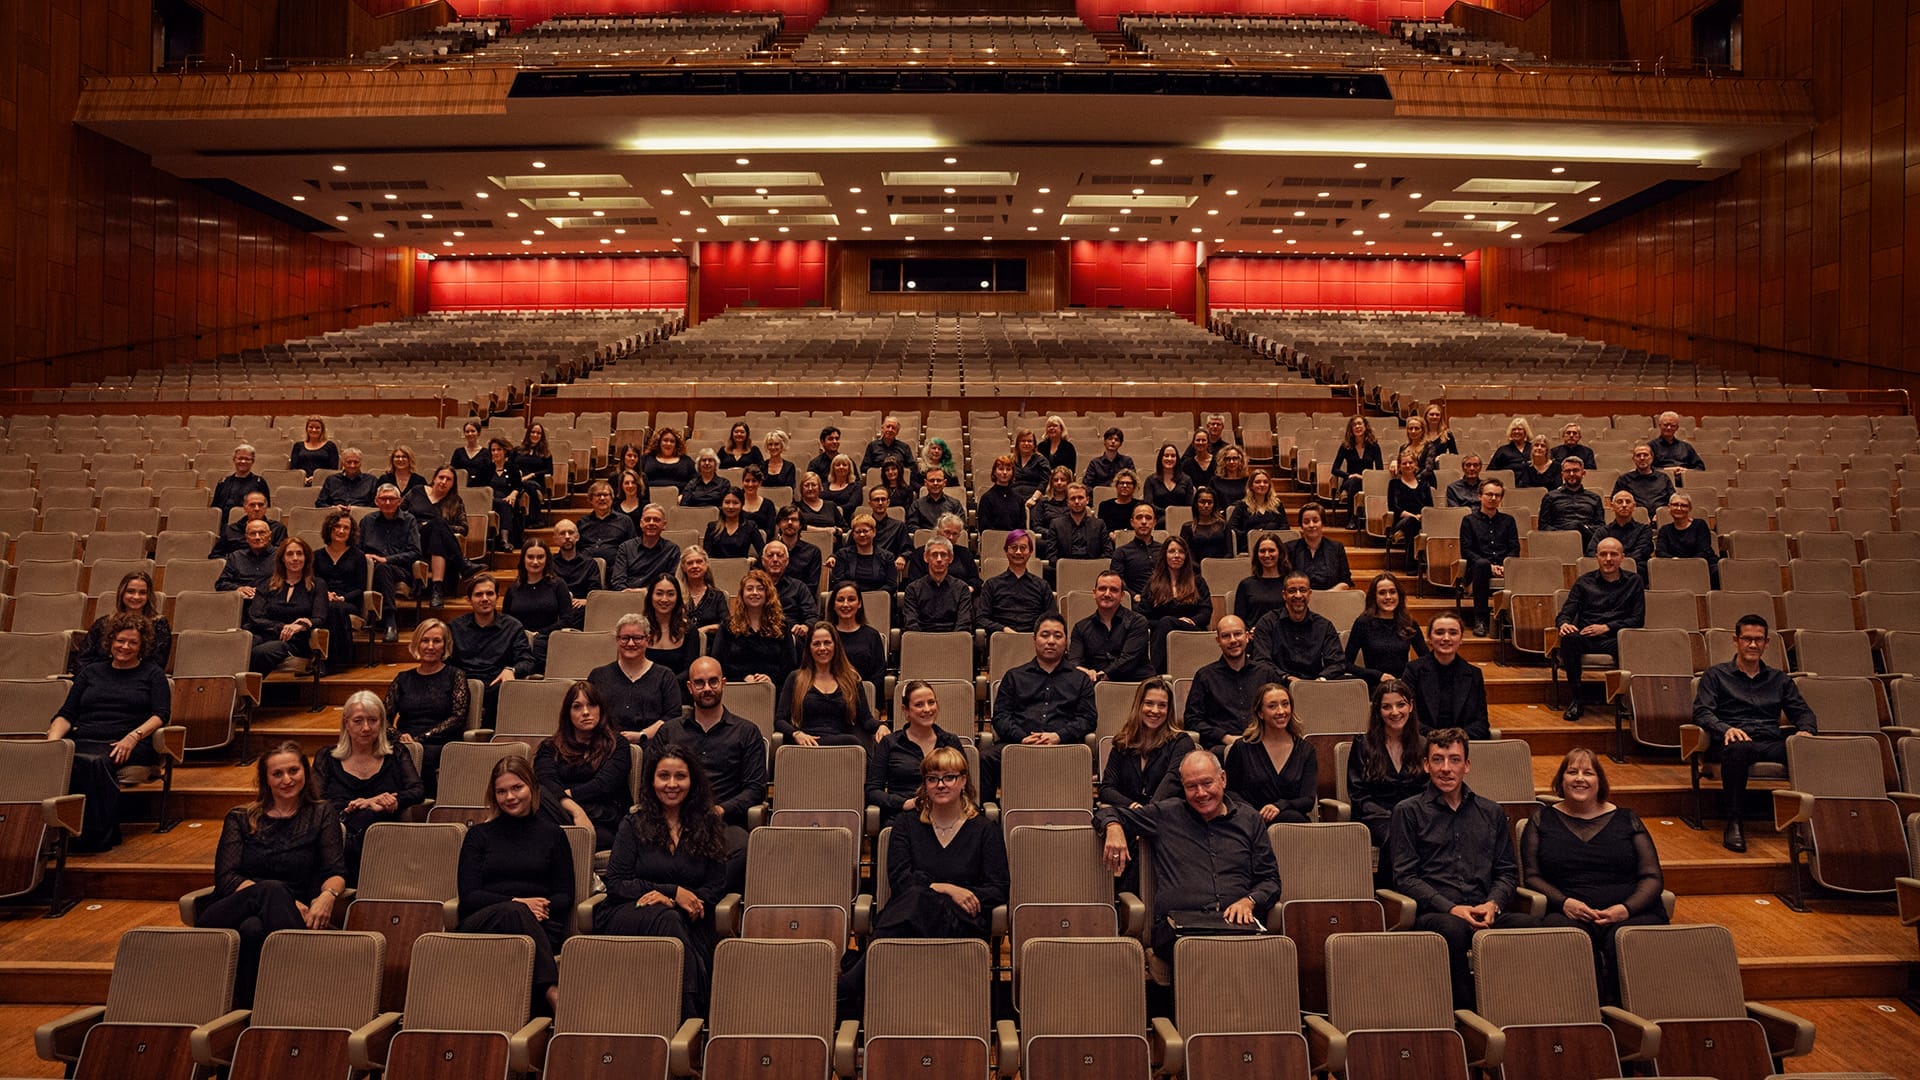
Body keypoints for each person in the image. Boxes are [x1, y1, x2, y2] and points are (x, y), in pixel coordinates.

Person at [841, 746, 1008, 1016]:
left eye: (949, 777)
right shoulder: (906, 824)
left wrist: (939, 891)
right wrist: (946, 888)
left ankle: (851, 985)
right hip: (911, 915)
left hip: (961, 921)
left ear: (964, 780)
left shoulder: (984, 830)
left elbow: (998, 888)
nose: (940, 785)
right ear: (925, 784)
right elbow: (900, 880)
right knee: (916, 900)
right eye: (933, 779)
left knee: (915, 900)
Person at [1389, 728, 1538, 1008]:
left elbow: (1506, 872)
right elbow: (1405, 877)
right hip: (1437, 913)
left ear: (1467, 766)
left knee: (1530, 926)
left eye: (1454, 760)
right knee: (1453, 930)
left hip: (1484, 910)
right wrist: (1451, 908)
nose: (1446, 769)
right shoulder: (1408, 812)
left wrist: (1493, 903)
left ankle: (1516, 1010)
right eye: (1438, 760)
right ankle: (1466, 1016)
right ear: (1425, 765)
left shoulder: (1491, 812)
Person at [1097, 750, 1281, 973]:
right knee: (1203, 954)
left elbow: (1270, 880)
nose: (1201, 793)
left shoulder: (1249, 819)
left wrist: (1249, 901)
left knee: (1269, 953)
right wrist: (1113, 827)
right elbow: (1106, 813)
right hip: (1178, 928)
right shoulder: (1167, 814)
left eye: (1207, 783)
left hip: (1234, 923)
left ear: (1223, 779)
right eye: (1191, 786)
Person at [200, 742, 346, 1005]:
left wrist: (328, 895)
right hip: (231, 908)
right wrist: (283, 902)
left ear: (305, 772)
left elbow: (335, 870)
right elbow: (227, 878)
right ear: (266, 780)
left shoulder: (322, 813)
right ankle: (307, 982)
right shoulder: (240, 817)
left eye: (293, 770)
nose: (287, 779)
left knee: (254, 930)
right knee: (271, 889)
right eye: (277, 774)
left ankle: (249, 1011)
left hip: (285, 916)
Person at [597, 742, 732, 1020]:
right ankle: (690, 1018)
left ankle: (678, 1021)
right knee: (666, 919)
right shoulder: (634, 823)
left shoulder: (708, 823)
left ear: (692, 781)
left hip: (689, 917)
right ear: (651, 780)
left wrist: (677, 902)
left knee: (673, 921)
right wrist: (670, 893)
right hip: (629, 913)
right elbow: (618, 883)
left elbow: (715, 886)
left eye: (680, 776)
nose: (672, 784)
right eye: (663, 776)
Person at [1524, 748, 1668, 989]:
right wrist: (1564, 902)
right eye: (1572, 772)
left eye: (1588, 773)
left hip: (1629, 912)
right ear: (1561, 780)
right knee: (1566, 935)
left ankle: (1630, 1014)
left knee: (1625, 939)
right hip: (1569, 912)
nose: (1580, 778)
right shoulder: (1540, 820)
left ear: (1599, 781)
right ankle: (1590, 1011)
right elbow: (1531, 876)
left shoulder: (1627, 818)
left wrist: (1625, 909)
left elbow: (1652, 877)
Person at [456, 756, 572, 1013]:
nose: (510, 797)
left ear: (531, 787)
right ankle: (553, 993)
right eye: (501, 791)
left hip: (540, 922)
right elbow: (469, 896)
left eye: (516, 787)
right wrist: (518, 903)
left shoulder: (553, 834)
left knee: (519, 915)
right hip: (484, 923)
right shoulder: (478, 836)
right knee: (515, 912)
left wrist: (539, 907)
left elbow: (565, 895)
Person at [1693, 614, 1818, 851]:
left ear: (1766, 643)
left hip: (1769, 739)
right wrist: (1726, 728)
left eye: (1758, 640)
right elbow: (1702, 713)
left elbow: (1803, 712)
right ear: (1736, 641)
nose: (1753, 645)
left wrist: (1806, 731)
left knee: (1807, 750)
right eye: (1747, 639)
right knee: (1737, 749)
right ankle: (1734, 822)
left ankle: (1811, 824)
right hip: (1732, 741)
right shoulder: (1716, 675)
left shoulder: (1779, 679)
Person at [47, 612, 170, 851]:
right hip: (86, 736)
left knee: (95, 762)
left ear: (142, 645)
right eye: (120, 640)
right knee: (63, 758)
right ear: (110, 641)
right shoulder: (91, 672)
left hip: (130, 740)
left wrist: (132, 738)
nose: (125, 647)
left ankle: (94, 837)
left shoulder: (153, 674)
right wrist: (53, 743)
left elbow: (160, 715)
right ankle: (52, 835)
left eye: (133, 642)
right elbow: (66, 713)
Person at [982, 615, 1096, 800]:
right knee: (985, 758)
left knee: (1080, 754)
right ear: (1034, 640)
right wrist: (1023, 738)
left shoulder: (1080, 679)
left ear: (1066, 641)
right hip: (1018, 744)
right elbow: (1000, 717)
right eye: (1045, 635)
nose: (1051, 641)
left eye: (1058, 636)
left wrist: (1058, 736)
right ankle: (986, 817)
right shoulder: (1014, 676)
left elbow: (1088, 719)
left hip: (1063, 746)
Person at [312, 691, 423, 881]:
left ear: (381, 723)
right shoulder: (327, 757)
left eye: (373, 720)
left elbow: (417, 791)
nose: (366, 728)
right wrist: (350, 808)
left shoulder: (396, 753)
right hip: (338, 828)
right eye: (358, 721)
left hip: (382, 834)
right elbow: (315, 800)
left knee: (369, 816)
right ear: (346, 723)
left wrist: (391, 801)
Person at [653, 658, 768, 828]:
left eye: (713, 682)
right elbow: (650, 781)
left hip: (725, 823)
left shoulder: (747, 732)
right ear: (690, 688)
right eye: (699, 683)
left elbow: (755, 789)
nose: (707, 688)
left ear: (723, 684)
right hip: (675, 822)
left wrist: (720, 810)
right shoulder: (669, 731)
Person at [535, 681, 631, 851]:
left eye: (591, 705)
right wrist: (576, 812)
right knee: (536, 793)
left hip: (603, 820)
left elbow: (604, 785)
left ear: (600, 709)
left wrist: (565, 794)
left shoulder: (618, 744)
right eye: (577, 707)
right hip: (562, 815)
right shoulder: (550, 747)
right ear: (568, 714)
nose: (586, 712)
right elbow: (546, 783)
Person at [1555, 538, 1644, 721]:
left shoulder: (1634, 581)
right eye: (1603, 554)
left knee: (1633, 645)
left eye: (1614, 554)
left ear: (1622, 557)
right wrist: (1564, 623)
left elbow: (1637, 620)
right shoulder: (1584, 582)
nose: (1608, 559)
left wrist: (1606, 627)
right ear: (1597, 557)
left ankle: (1629, 701)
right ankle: (1577, 700)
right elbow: (1566, 611)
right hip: (1587, 637)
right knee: (1570, 639)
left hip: (1615, 637)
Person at [868, 679, 969, 829]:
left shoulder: (950, 741)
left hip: (946, 813)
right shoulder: (889, 743)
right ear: (906, 710)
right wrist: (903, 803)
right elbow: (872, 791)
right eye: (919, 705)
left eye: (931, 702)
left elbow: (965, 784)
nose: (927, 709)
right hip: (904, 815)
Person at [385, 618, 468, 795]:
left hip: (440, 741)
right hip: (405, 740)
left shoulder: (455, 676)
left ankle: (425, 805)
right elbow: (384, 718)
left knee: (423, 755)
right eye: (425, 640)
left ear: (445, 645)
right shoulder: (402, 679)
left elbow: (458, 717)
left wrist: (421, 738)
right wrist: (399, 736)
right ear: (417, 644)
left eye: (436, 641)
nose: (430, 646)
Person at [1183, 616, 1284, 752]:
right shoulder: (1205, 676)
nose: (1233, 640)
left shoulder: (1266, 674)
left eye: (1237, 634)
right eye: (1226, 636)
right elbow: (1192, 719)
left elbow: (1281, 711)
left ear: (1247, 636)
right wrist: (1224, 737)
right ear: (1218, 641)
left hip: (1263, 743)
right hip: (1222, 746)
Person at [1348, 677, 1427, 849]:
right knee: (1397, 835)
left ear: (1411, 706)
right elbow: (1358, 795)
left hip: (1414, 817)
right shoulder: (1363, 744)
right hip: (1376, 818)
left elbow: (1427, 791)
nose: (1395, 712)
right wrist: (1390, 816)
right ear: (1378, 710)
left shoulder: (1424, 745)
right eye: (1386, 707)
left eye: (1401, 705)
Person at [1223, 682, 1317, 824]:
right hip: (1250, 821)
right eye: (1272, 706)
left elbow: (1308, 800)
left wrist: (1280, 806)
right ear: (1260, 713)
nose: (1281, 711)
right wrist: (1253, 813)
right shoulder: (1242, 748)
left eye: (1285, 704)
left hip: (1291, 825)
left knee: (1292, 818)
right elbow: (1229, 792)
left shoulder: (1306, 750)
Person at [777, 622, 880, 748]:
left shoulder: (851, 679)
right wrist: (796, 734)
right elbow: (780, 720)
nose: (822, 648)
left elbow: (866, 720)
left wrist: (881, 726)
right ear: (809, 648)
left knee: (854, 743)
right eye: (816, 644)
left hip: (842, 744)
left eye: (827, 643)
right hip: (805, 745)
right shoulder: (795, 678)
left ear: (836, 646)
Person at [450, 574, 536, 724]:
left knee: (502, 691)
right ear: (469, 600)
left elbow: (527, 661)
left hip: (496, 686)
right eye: (478, 594)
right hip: (463, 686)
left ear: (497, 596)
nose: (485, 598)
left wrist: (511, 670)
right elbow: (447, 663)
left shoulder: (513, 627)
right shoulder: (454, 628)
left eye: (490, 593)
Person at [1100, 677, 1193, 810]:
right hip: (1131, 813)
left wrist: (1146, 814)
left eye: (1162, 705)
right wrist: (1132, 806)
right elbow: (1106, 789)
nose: (1155, 711)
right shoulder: (1123, 743)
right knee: (1106, 817)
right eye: (1149, 703)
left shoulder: (1181, 742)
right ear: (1139, 705)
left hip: (1166, 815)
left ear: (1169, 710)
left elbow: (1172, 781)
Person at [588, 613, 683, 742]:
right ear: (617, 639)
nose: (631, 643)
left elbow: (672, 717)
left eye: (637, 638)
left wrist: (642, 735)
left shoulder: (665, 676)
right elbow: (589, 712)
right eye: (625, 638)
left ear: (648, 640)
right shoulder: (598, 676)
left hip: (652, 745)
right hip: (605, 745)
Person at [244, 536, 327, 676]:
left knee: (261, 653)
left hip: (295, 641)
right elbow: (255, 616)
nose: (295, 558)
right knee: (239, 647)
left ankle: (248, 695)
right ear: (282, 558)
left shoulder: (317, 585)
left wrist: (301, 625)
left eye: (299, 553)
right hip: (266, 634)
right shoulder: (267, 584)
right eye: (289, 554)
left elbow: (319, 617)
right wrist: (282, 627)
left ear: (306, 558)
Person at [1402, 613, 1490, 741]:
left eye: (1453, 633)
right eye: (1439, 632)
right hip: (1422, 745)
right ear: (1429, 639)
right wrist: (1438, 739)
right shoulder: (1413, 670)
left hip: (1463, 747)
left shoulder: (1474, 674)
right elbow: (1407, 717)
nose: (1446, 638)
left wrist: (1455, 740)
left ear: (1461, 639)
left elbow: (1481, 723)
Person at [1249, 572, 1345, 684]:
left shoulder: (1324, 626)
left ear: (1309, 594)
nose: (1298, 595)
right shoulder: (1267, 623)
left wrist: (1320, 680)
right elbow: (1261, 661)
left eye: (1303, 590)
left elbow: (1337, 662)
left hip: (1316, 686)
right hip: (1279, 686)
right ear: (1284, 595)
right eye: (1292, 591)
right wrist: (1286, 677)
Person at [405, 466, 479, 608]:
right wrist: (420, 525)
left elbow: (464, 529)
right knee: (438, 525)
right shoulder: (416, 491)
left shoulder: (455, 501)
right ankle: (462, 565)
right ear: (434, 478)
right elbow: (399, 514)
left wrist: (437, 526)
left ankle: (437, 588)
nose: (443, 481)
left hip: (436, 544)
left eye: (448, 479)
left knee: (438, 526)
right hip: (414, 538)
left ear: (453, 484)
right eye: (441, 477)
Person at [71, 569, 171, 672]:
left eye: (142, 593)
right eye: (130, 591)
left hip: (139, 682)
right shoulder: (102, 623)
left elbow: (156, 664)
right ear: (122, 593)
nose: (136, 597)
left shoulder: (159, 624)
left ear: (149, 596)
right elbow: (83, 660)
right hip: (100, 680)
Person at [709, 569, 795, 685]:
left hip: (774, 688)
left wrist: (771, 679)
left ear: (768, 594)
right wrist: (743, 678)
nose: (754, 592)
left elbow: (790, 665)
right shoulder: (727, 626)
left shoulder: (782, 626)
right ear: (742, 594)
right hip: (736, 687)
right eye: (749, 589)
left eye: (760, 589)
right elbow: (718, 663)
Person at [1139, 536, 1210, 674]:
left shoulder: (1198, 582)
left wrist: (1191, 621)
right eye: (1172, 551)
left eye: (1181, 552)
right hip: (1161, 636)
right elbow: (1142, 617)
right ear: (1165, 555)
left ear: (1186, 556)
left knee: (1167, 622)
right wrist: (1167, 623)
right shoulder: (1153, 584)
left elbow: (1206, 612)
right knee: (1166, 623)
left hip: (1192, 633)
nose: (1177, 555)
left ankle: (1151, 674)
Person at [361, 484, 423, 641]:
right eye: (383, 499)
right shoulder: (367, 521)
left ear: (400, 501)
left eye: (391, 499)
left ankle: (390, 621)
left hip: (401, 571)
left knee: (383, 568)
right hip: (369, 568)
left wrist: (386, 559)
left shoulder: (409, 520)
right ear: (376, 501)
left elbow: (415, 552)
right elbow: (356, 548)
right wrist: (366, 556)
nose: (387, 502)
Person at [1459, 479, 1520, 638]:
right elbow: (1466, 551)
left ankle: (1514, 621)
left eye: (1497, 495)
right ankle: (1481, 619)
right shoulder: (1469, 521)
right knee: (1482, 564)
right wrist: (1491, 567)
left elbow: (1514, 548)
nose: (1493, 498)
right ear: (1480, 496)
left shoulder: (1508, 521)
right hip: (1478, 569)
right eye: (1489, 494)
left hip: (1505, 568)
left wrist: (1505, 565)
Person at [1345, 572, 1429, 686]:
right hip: (1376, 686)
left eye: (1392, 592)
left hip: (1402, 686)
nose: (1388, 597)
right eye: (1382, 593)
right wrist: (1377, 675)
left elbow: (1427, 661)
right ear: (1374, 596)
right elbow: (1346, 663)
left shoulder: (1409, 623)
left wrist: (1410, 675)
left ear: (1399, 595)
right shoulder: (1363, 623)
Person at [1069, 571, 1153, 683]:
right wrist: (1085, 671)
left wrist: (1101, 675)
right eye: (1102, 589)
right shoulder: (1080, 628)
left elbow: (1128, 660)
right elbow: (1074, 662)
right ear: (1094, 593)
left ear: (1122, 596)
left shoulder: (1137, 622)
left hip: (1135, 686)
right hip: (1095, 687)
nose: (1107, 594)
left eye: (1113, 590)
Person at [503, 541, 574, 673]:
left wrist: (539, 633)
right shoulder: (514, 589)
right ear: (523, 559)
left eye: (540, 557)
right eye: (530, 557)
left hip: (548, 640)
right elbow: (507, 621)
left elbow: (567, 619)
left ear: (547, 560)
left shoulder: (558, 585)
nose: (535, 562)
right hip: (520, 642)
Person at [976, 530, 1055, 636]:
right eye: (1013, 547)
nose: (1018, 552)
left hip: (1033, 641)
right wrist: (1003, 629)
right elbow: (981, 619)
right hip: (1002, 639)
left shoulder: (1042, 586)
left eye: (1023, 548)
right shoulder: (991, 584)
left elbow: (1052, 618)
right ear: (1006, 551)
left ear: (1030, 552)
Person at [901, 536, 974, 633]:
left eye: (943, 555)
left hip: (954, 642)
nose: (939, 559)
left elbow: (963, 623)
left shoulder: (962, 589)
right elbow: (911, 623)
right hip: (922, 640)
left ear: (950, 558)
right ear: (926, 557)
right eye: (934, 554)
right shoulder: (913, 589)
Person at [1655, 492, 1719, 588]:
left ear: (1690, 508)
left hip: (1700, 566)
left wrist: (1687, 564)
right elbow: (1660, 551)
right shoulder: (1664, 530)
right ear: (1669, 507)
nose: (1679, 508)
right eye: (1675, 505)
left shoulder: (1700, 524)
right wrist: (1674, 560)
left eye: (1684, 506)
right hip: (1675, 566)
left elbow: (1705, 550)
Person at [610, 504, 681, 592]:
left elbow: (672, 582)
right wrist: (627, 594)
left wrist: (647, 591)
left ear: (664, 525)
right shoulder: (625, 548)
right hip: (627, 597)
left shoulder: (672, 550)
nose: (651, 523)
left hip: (658, 598)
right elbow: (617, 580)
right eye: (647, 520)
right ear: (641, 523)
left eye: (656, 520)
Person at [826, 583, 884, 688]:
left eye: (851, 599)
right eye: (840, 600)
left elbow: (878, 675)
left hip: (864, 696)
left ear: (859, 603)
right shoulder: (826, 635)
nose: (845, 604)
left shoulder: (872, 635)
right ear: (833, 605)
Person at [1042, 482, 1113, 566]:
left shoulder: (1099, 524)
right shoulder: (1056, 524)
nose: (1076, 501)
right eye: (1072, 498)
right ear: (1067, 502)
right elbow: (1051, 555)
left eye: (1080, 498)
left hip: (1093, 569)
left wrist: (1092, 565)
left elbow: (1108, 552)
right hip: (1066, 570)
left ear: (1087, 500)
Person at [904, 514, 980, 590]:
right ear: (938, 532)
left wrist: (968, 589)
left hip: (959, 597)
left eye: (955, 534)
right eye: (947, 532)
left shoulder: (965, 553)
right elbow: (914, 582)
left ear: (959, 535)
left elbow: (975, 580)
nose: (951, 537)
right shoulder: (920, 553)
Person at [1231, 533, 1291, 628]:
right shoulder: (1246, 585)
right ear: (1257, 555)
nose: (1267, 555)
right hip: (1254, 638)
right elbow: (1239, 620)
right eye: (1262, 551)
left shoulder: (1289, 583)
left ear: (1280, 553)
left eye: (1271, 550)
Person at [1539, 457, 1604, 546]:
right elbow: (1543, 526)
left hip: (1588, 542)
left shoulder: (1595, 498)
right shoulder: (1550, 497)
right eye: (1568, 471)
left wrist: (1583, 528)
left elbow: (1601, 526)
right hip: (1558, 542)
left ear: (1583, 473)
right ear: (1562, 474)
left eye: (1575, 470)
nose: (1572, 474)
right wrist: (1564, 534)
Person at [1385, 451, 1432, 572]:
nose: (1407, 465)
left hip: (1422, 520)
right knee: (1412, 522)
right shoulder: (1394, 484)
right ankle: (1411, 565)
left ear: (1416, 464)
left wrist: (1421, 516)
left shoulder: (1424, 484)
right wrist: (1413, 516)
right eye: (1404, 463)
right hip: (1402, 520)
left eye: (1410, 462)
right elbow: (1393, 507)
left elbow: (1429, 506)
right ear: (1399, 466)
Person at [1287, 502, 1351, 590]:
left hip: (1329, 598)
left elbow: (1345, 581)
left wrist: (1326, 596)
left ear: (1323, 523)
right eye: (1306, 522)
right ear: (1301, 526)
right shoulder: (1289, 548)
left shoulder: (1336, 548)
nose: (1311, 525)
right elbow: (1284, 581)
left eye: (1315, 521)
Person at [828, 510, 896, 591]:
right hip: (850, 600)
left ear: (874, 532)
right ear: (853, 535)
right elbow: (838, 582)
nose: (862, 535)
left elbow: (891, 585)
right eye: (858, 532)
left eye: (865, 531)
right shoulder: (842, 555)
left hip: (877, 600)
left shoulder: (887, 557)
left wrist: (872, 596)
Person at [759, 540, 819, 631]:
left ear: (786, 561)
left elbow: (812, 616)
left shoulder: (799, 587)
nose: (775, 559)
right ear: (763, 561)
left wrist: (805, 626)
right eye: (770, 555)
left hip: (791, 635)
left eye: (780, 556)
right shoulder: (755, 588)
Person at [1590, 490, 1654, 574]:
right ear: (1611, 506)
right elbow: (1591, 552)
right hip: (1606, 572)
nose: (1624, 505)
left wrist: (1615, 562)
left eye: (1628, 502)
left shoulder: (1644, 530)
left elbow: (1641, 553)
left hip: (1635, 572)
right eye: (1619, 502)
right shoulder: (1602, 531)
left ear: (1634, 506)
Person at [577, 479, 638, 567]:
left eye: (605, 495)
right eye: (598, 495)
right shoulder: (582, 522)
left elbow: (633, 548)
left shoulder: (625, 521)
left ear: (612, 498)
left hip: (615, 569)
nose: (602, 498)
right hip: (585, 569)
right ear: (590, 499)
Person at [1331, 415, 1381, 520]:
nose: (1357, 427)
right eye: (1354, 425)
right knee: (1355, 481)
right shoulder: (1345, 446)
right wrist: (1350, 475)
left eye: (1360, 424)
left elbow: (1379, 469)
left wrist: (1366, 477)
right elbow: (1334, 469)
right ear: (1351, 429)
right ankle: (1351, 518)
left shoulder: (1374, 446)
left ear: (1365, 426)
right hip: (1350, 482)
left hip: (1368, 481)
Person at [1109, 503, 1163, 597]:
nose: (1144, 522)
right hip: (1136, 604)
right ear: (1132, 522)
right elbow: (1117, 580)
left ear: (1154, 523)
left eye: (1148, 518)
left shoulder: (1164, 550)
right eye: (1139, 517)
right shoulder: (1121, 552)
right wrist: (1133, 595)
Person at [211, 490, 287, 558]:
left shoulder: (278, 529)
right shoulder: (230, 530)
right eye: (252, 505)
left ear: (266, 507)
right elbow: (216, 556)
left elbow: (281, 555)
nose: (257, 509)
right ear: (245, 507)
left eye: (260, 505)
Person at [216, 517, 279, 596]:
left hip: (272, 602)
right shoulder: (235, 557)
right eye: (252, 534)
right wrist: (238, 588)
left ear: (270, 535)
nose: (257, 537)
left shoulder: (281, 555)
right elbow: (221, 584)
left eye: (262, 533)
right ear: (247, 538)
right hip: (243, 603)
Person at [212, 444, 271, 527]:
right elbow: (215, 508)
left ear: (252, 462)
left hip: (248, 526)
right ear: (234, 460)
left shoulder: (259, 482)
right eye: (240, 458)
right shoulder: (223, 482)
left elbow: (265, 508)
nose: (243, 462)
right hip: (223, 526)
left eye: (247, 459)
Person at [483, 438, 525, 551]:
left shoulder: (512, 468)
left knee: (504, 504)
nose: (495, 453)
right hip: (488, 502)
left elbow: (519, 486)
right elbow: (475, 486)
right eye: (493, 450)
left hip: (507, 501)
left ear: (505, 451)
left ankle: (504, 540)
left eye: (499, 449)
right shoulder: (485, 469)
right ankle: (504, 540)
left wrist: (513, 494)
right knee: (502, 503)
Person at [1229, 468, 1289, 544]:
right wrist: (1253, 535)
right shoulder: (1242, 505)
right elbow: (1233, 529)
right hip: (1249, 545)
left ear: (1269, 485)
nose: (1262, 485)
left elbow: (1285, 527)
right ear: (1251, 486)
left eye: (1265, 482)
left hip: (1273, 545)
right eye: (1257, 482)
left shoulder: (1277, 505)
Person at [1612, 442, 1676, 513]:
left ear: (1652, 458)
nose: (1642, 458)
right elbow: (1616, 503)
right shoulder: (1624, 479)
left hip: (1660, 518)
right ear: (1633, 459)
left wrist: (1661, 514)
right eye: (1638, 455)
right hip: (1634, 518)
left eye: (1645, 455)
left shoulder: (1663, 478)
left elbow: (1673, 501)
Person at [680, 545, 731, 633]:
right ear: (683, 567)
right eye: (690, 563)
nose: (695, 566)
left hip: (711, 644)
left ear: (706, 565)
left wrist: (706, 629)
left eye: (699, 562)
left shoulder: (717, 596)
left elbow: (726, 624)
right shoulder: (676, 595)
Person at [548, 519, 599, 603]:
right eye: (562, 533)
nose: (567, 537)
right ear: (555, 539)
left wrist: (586, 601)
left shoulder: (590, 563)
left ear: (577, 537)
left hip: (582, 609)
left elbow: (595, 593)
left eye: (571, 532)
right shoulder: (548, 564)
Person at [1180, 486, 1233, 562]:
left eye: (1210, 502)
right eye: (1202, 502)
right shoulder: (1188, 528)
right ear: (1196, 504)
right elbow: (1186, 554)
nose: (1206, 506)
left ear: (1214, 505)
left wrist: (1219, 565)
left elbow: (1229, 553)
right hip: (1196, 570)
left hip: (1221, 568)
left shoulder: (1223, 525)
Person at [977, 454, 1027, 531]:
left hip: (1014, 541)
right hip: (993, 540)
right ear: (994, 472)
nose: (1004, 472)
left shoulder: (1019, 499)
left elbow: (1022, 528)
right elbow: (984, 527)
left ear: (1012, 473)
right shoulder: (987, 498)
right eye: (1001, 469)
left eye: (1008, 469)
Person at [1097, 469, 1151, 533]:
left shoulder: (1140, 506)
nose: (1125, 486)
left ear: (1134, 487)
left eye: (1128, 483)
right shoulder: (1105, 506)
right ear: (1116, 486)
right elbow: (1101, 529)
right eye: (1122, 483)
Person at [1144, 442, 1192, 514]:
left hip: (1181, 518)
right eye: (1166, 455)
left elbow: (1189, 505)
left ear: (1177, 459)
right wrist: (1168, 513)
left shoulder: (1187, 480)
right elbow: (1149, 504)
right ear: (1161, 458)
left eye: (1173, 456)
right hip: (1158, 519)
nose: (1169, 459)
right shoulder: (1150, 480)